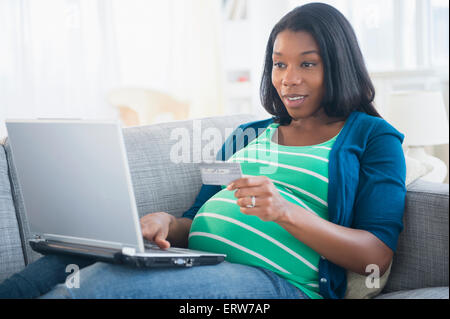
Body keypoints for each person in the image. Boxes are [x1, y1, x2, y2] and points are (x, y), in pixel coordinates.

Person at [0, 3, 406, 299]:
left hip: (276, 284)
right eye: (279, 65)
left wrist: (286, 212)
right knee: (65, 260)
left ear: (337, 65)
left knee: (105, 285)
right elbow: (196, 219)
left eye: (307, 64)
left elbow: (375, 257)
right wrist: (165, 223)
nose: (289, 80)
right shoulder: (248, 135)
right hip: (196, 259)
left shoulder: (373, 138)